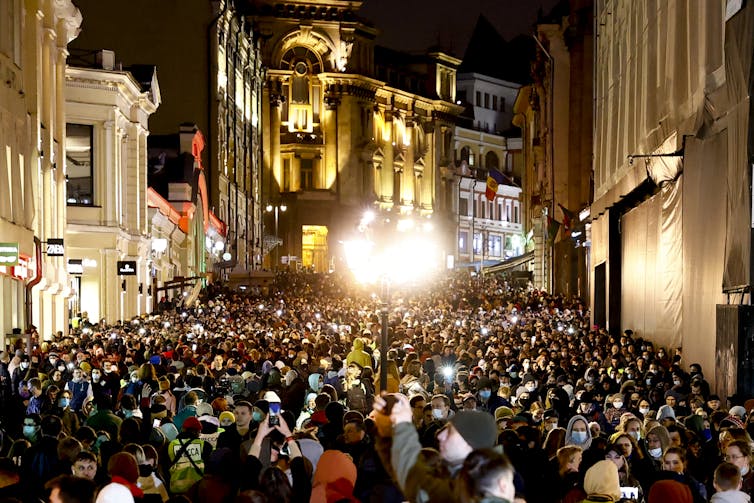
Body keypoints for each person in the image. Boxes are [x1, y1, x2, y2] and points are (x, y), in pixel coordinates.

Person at [374, 392, 498, 503]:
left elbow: (417, 482)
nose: (439, 435)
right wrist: (387, 432)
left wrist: (401, 427)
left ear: (470, 442)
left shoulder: (478, 485)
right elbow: (410, 478)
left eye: (450, 432)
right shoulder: (448, 472)